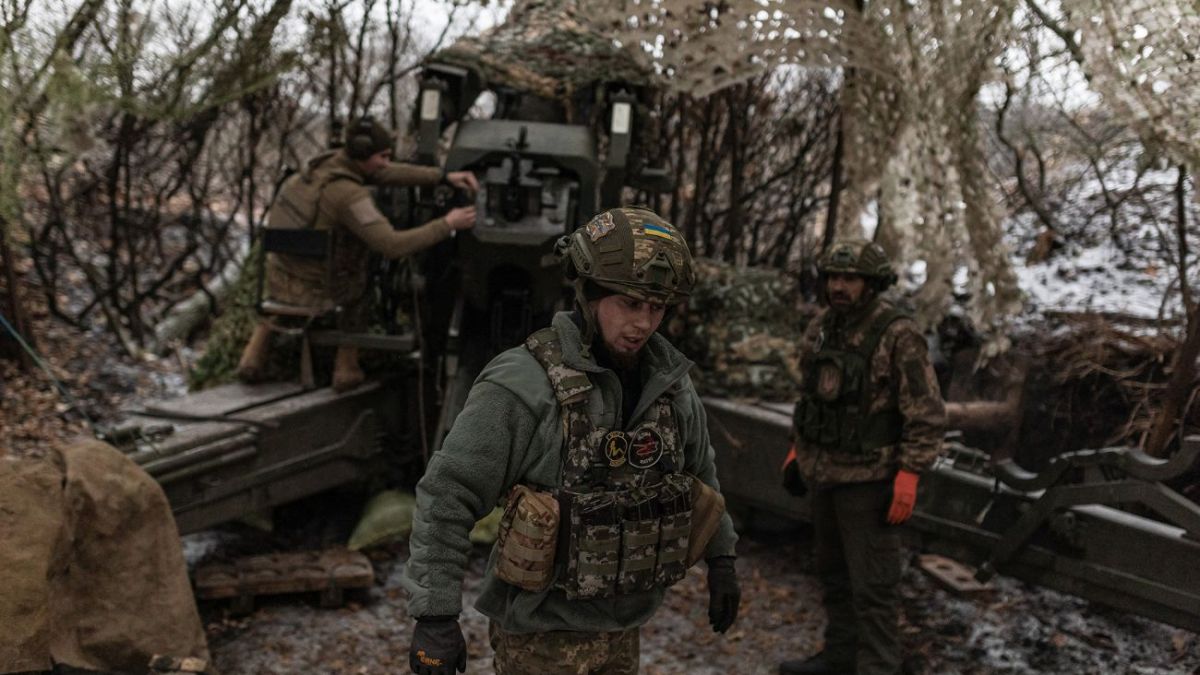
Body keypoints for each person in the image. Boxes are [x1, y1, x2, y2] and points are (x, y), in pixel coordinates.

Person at [402, 207, 741, 674]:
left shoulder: (669, 384)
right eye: (629, 303)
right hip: (540, 639)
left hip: (623, 630)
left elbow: (701, 474)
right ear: (589, 293)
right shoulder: (524, 383)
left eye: (657, 307)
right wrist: (435, 614)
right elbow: (448, 494)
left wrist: (722, 559)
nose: (643, 323)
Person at [779, 239, 945, 675]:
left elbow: (926, 411)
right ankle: (839, 658)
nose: (839, 286)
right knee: (832, 575)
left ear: (872, 283)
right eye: (834, 277)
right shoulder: (822, 326)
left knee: (873, 588)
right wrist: (799, 447)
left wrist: (910, 473)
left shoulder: (898, 334)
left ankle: (877, 667)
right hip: (825, 474)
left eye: (850, 279)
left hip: (870, 482)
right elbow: (810, 395)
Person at [236, 116, 480, 391]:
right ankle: (346, 367)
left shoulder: (317, 171)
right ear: (363, 155)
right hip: (320, 289)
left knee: (318, 269)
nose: (386, 163)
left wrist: (442, 177)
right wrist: (447, 224)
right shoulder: (349, 196)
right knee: (362, 277)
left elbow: (382, 173)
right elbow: (392, 246)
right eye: (383, 156)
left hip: (280, 281)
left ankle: (253, 357)